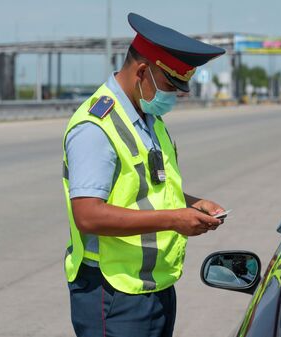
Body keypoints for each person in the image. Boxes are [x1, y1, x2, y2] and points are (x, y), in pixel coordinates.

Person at [62, 13, 226, 337]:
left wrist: (194, 205)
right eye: (169, 85)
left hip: (154, 287)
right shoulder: (97, 127)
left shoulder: (149, 119)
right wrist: (173, 220)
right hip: (111, 291)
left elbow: (151, 189)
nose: (175, 96)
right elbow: (88, 215)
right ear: (141, 72)